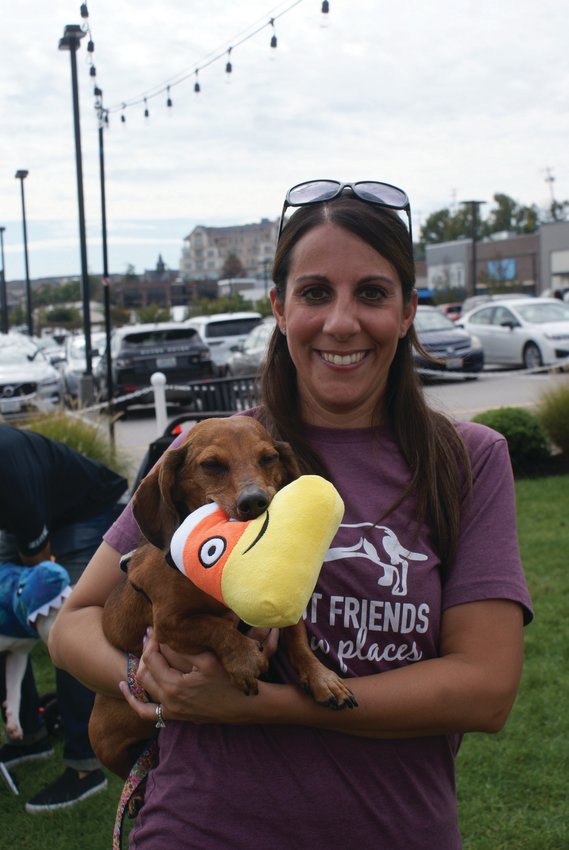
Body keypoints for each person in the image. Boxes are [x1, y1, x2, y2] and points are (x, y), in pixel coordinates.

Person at [49, 180, 533, 849]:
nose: (340, 322)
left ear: (406, 310)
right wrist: (149, 680)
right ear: (278, 306)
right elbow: (70, 626)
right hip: (196, 829)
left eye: (370, 292)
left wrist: (259, 706)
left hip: (394, 831)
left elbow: (484, 691)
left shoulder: (467, 459)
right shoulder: (213, 456)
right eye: (313, 293)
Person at [0, 423, 128, 812]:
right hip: (39, 512)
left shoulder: (6, 470)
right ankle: (29, 736)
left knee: (67, 628)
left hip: (88, 509)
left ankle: (85, 767)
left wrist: (32, 605)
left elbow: (38, 563)